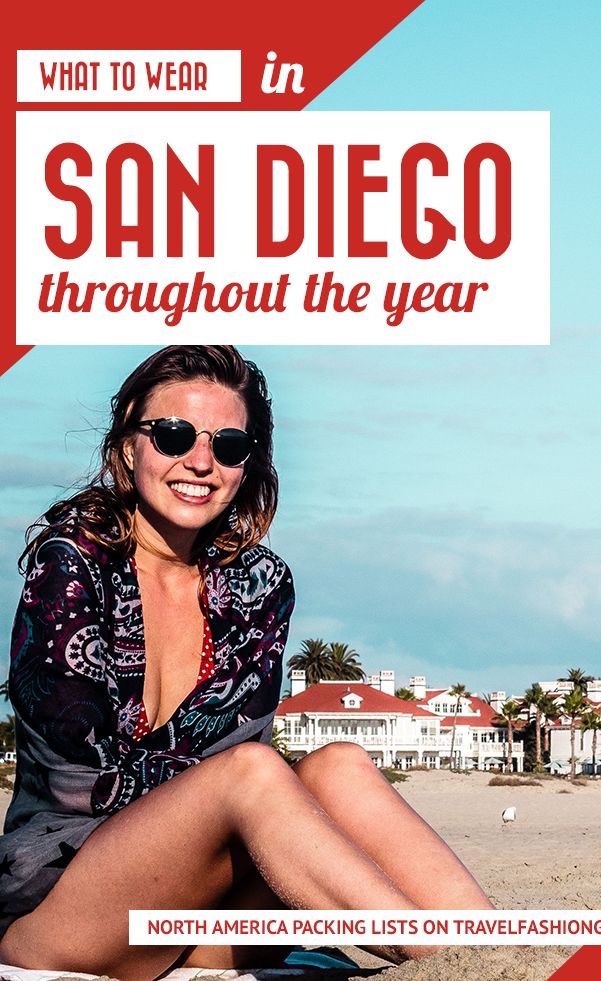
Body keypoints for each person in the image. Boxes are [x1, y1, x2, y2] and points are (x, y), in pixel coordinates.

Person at [0, 346, 491, 980]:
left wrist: (239, 799)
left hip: (197, 915)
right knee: (254, 775)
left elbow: (236, 745)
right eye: (174, 435)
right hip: (68, 907)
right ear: (128, 445)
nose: (200, 462)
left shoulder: (258, 586)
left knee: (338, 766)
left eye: (229, 446)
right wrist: (227, 795)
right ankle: (439, 959)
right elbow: (79, 783)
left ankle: (495, 955)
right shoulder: (71, 567)